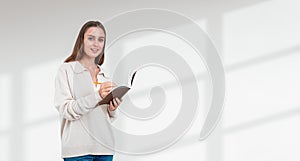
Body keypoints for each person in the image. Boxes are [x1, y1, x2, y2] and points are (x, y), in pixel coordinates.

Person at [54, 21, 122, 161]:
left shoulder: (104, 74)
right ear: (82, 41)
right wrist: (97, 95)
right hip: (77, 150)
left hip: (105, 148)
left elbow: (107, 118)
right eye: (91, 38)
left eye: (100, 40)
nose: (96, 44)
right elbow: (66, 110)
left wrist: (112, 108)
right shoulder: (67, 70)